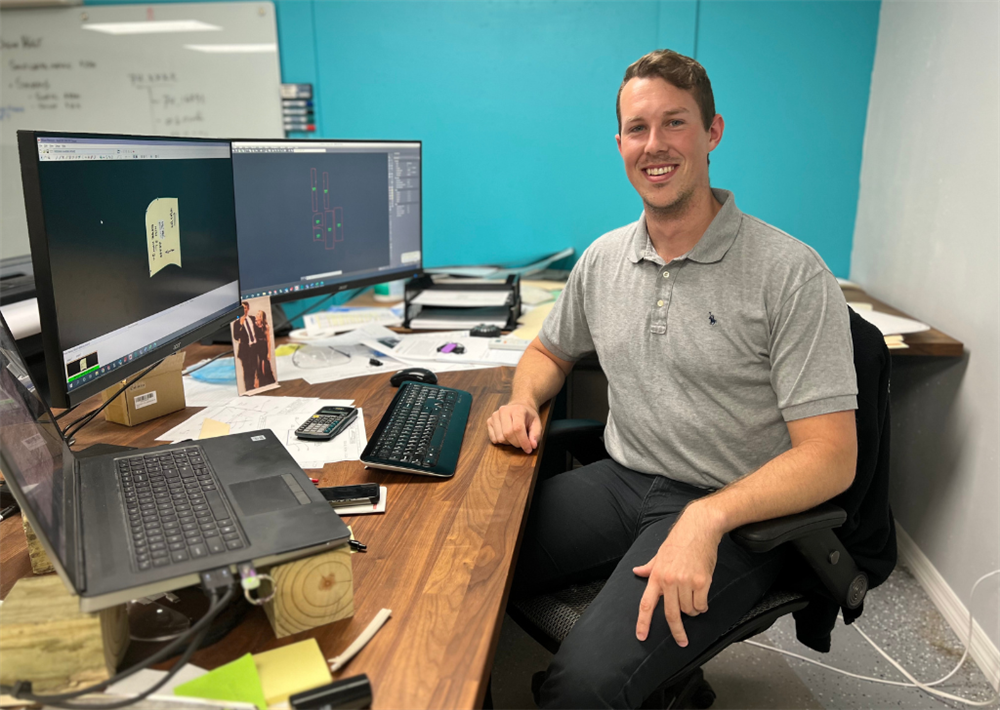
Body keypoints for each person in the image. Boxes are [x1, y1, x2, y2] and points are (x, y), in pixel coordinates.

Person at [487, 49, 859, 709]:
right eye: (637, 128)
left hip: (736, 508)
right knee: (473, 562)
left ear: (713, 133)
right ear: (620, 143)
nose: (653, 146)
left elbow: (831, 458)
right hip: (624, 479)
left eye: (675, 124)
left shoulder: (790, 272)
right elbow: (549, 353)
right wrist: (522, 399)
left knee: (583, 686)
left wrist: (707, 518)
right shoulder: (604, 259)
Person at [233, 300, 261, 392]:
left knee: (256, 368)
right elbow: (236, 337)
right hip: (245, 350)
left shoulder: (253, 319)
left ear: (248, 309)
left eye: (245, 308)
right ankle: (249, 389)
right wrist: (241, 324)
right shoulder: (236, 323)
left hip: (255, 347)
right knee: (247, 371)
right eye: (241, 308)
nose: (243, 310)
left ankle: (258, 386)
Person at [254, 310, 276, 388]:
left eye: (259, 314)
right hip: (257, 345)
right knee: (259, 363)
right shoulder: (254, 325)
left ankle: (269, 379)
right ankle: (261, 381)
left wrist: (269, 352)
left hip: (264, 345)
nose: (257, 315)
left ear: (262, 317)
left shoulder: (266, 326)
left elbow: (268, 340)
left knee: (265, 363)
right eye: (257, 314)